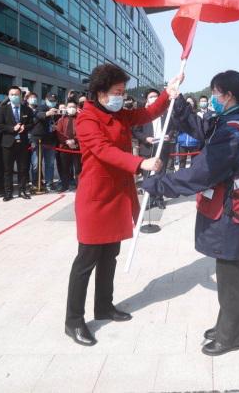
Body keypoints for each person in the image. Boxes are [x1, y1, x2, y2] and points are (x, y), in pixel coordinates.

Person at [142, 70, 239, 356]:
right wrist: (177, 101)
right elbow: (201, 128)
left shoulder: (234, 131)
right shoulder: (232, 120)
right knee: (227, 267)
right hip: (229, 205)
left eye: (216, 94)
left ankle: (233, 335)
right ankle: (228, 324)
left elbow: (200, 173)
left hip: (230, 209)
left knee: (230, 270)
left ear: (228, 95)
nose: (214, 100)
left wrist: (159, 184)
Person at [64, 63, 181, 347]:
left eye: (123, 92)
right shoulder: (87, 118)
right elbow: (103, 151)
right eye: (117, 92)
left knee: (110, 255)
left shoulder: (119, 114)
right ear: (101, 92)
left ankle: (104, 306)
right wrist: (140, 162)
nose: (121, 96)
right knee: (86, 259)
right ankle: (73, 320)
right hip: (96, 198)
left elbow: (148, 112)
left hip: (118, 194)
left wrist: (169, 91)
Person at [133, 89, 178, 208]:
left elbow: (173, 128)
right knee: (148, 175)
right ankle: (149, 198)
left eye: (156, 96)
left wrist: (169, 135)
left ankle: (159, 198)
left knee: (160, 174)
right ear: (147, 99)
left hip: (162, 147)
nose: (153, 98)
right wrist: (145, 138)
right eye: (151, 97)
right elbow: (136, 131)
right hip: (148, 148)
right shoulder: (142, 113)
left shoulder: (166, 113)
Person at [0, 86, 35, 201]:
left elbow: (32, 123)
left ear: (21, 96)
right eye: (12, 94)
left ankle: (22, 191)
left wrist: (24, 127)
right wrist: (12, 128)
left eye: (17, 95)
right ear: (8, 96)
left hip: (22, 143)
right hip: (8, 144)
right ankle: (8, 192)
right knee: (8, 170)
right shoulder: (3, 109)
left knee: (23, 168)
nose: (14, 97)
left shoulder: (27, 109)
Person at [29, 92, 60, 191]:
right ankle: (35, 183)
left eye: (54, 101)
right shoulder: (41, 107)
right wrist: (47, 113)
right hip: (38, 140)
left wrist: (56, 127)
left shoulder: (57, 110)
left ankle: (49, 183)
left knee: (50, 164)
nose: (52, 102)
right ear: (46, 100)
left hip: (50, 141)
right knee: (36, 163)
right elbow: (37, 115)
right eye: (50, 101)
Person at [55, 101, 81, 191]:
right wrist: (67, 142)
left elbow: (82, 132)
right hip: (64, 148)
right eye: (70, 106)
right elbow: (59, 133)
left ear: (77, 107)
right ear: (66, 108)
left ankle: (79, 186)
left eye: (73, 106)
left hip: (77, 148)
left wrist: (74, 141)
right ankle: (64, 186)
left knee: (78, 168)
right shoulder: (62, 119)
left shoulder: (80, 119)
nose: (71, 108)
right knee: (64, 168)